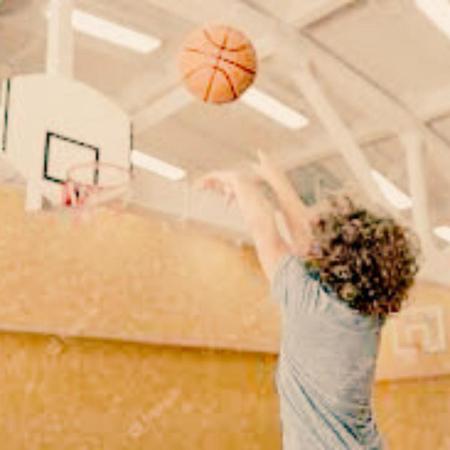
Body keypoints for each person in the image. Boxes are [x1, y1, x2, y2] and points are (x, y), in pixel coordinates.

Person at [197, 151, 419, 450]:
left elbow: (268, 231)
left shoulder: (308, 300)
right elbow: (301, 239)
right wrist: (273, 179)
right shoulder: (370, 314)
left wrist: (242, 183)